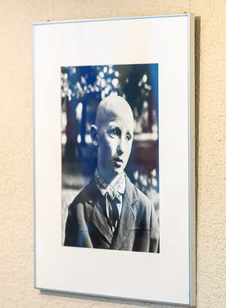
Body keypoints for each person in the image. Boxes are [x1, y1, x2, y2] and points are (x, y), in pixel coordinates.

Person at [63, 94, 159, 252]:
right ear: (95, 136)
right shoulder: (78, 210)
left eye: (128, 136)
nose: (122, 148)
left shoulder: (145, 209)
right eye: (114, 132)